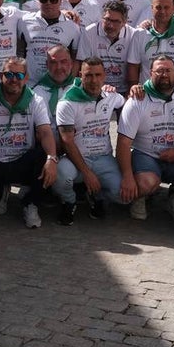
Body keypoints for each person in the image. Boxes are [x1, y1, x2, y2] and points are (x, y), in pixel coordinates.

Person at [0, 56, 58, 228]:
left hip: (24, 160)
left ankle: (31, 203)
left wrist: (52, 159)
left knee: (45, 158)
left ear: (26, 78)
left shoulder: (35, 101)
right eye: (9, 75)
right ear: (1, 76)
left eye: (19, 75)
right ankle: (1, 192)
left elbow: (45, 132)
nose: (14, 79)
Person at [116, 55, 174, 221]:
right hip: (146, 155)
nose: (164, 74)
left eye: (168, 70)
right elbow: (123, 142)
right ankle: (142, 196)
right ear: (150, 73)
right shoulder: (137, 100)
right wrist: (127, 177)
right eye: (159, 71)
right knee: (146, 182)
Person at [53, 57, 126, 223]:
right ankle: (69, 201)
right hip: (76, 158)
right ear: (80, 75)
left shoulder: (111, 96)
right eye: (89, 75)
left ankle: (96, 195)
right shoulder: (67, 102)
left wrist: (138, 90)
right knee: (60, 176)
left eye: (98, 75)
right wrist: (87, 173)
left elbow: (127, 104)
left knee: (123, 196)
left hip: (104, 157)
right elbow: (67, 141)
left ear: (105, 75)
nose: (94, 80)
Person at [19, 0, 80, 84]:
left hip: (58, 87)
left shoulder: (73, 27)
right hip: (30, 85)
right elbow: (19, 52)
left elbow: (76, 59)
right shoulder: (24, 21)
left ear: (60, 1)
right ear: (38, 0)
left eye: (53, 0)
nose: (48, 3)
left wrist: (68, 83)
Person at [127, 0, 174, 87]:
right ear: (152, 8)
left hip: (173, 92)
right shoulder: (140, 33)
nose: (162, 11)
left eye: (166, 7)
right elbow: (133, 66)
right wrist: (133, 89)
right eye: (158, 7)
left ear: (173, 8)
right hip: (147, 92)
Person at [77, 0, 135, 94]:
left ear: (125, 22)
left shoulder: (133, 35)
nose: (111, 25)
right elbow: (83, 65)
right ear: (101, 17)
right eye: (107, 20)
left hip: (123, 91)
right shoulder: (89, 33)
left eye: (116, 21)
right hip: (95, 90)